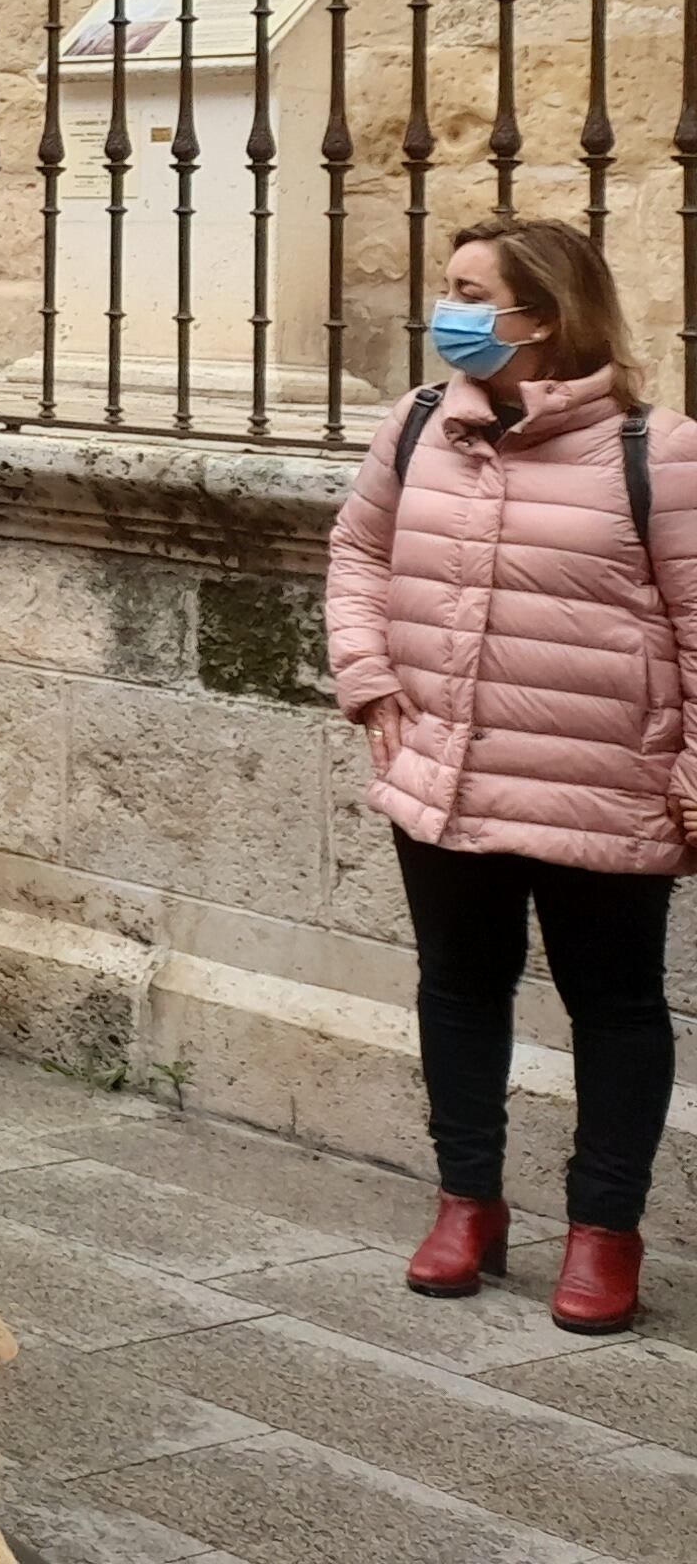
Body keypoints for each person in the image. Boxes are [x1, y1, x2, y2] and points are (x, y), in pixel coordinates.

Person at [326, 215, 696, 1336]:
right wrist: (368, 676)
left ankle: (602, 1231)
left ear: (543, 315)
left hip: (603, 780)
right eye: (450, 287)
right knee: (458, 986)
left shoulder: (656, 450)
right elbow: (356, 552)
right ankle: (466, 1204)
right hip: (439, 766)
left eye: (470, 292)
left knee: (615, 1005)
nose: (449, 312)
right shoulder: (421, 425)